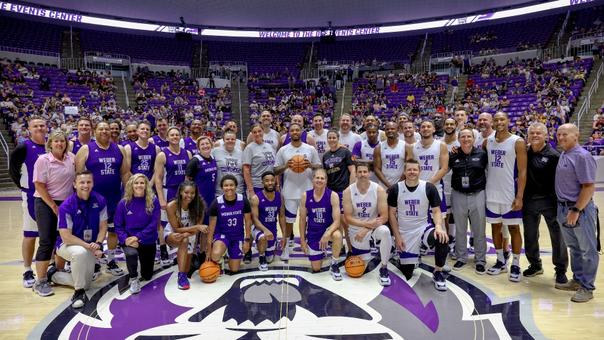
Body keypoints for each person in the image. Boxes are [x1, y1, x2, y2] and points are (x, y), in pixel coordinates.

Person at [75, 121, 128, 276]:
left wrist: (126, 196)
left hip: (114, 198)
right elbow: (78, 176)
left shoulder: (119, 149)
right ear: (94, 131)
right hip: (92, 200)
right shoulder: (86, 149)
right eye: (101, 128)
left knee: (113, 231)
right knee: (92, 233)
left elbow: (125, 173)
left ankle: (111, 260)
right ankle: (94, 263)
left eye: (106, 129)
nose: (104, 131)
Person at [387, 160, 450, 290]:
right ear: (404, 172)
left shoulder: (428, 187)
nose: (412, 172)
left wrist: (438, 226)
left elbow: (437, 211)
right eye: (409, 170)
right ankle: (401, 254)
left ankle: (438, 271)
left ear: (419, 171)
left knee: (442, 238)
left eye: (415, 170)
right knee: (407, 271)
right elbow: (391, 214)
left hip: (423, 228)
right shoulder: (395, 189)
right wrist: (397, 236)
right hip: (405, 231)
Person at [49, 171, 107, 308]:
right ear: (74, 184)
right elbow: (66, 237)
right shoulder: (66, 206)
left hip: (89, 246)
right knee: (79, 253)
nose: (85, 185)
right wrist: (89, 247)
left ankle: (53, 276)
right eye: (82, 182)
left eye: (88, 182)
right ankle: (78, 292)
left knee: (86, 284)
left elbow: (103, 227)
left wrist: (98, 244)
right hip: (66, 245)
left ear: (92, 183)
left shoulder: (100, 200)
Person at [554, 123, 598, 303]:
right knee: (574, 248)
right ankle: (578, 280)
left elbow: (588, 187)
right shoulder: (565, 153)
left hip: (578, 210)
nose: (561, 137)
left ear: (576, 136)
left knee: (587, 250)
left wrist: (576, 210)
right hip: (564, 208)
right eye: (558, 134)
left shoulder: (582, 156)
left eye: (565, 134)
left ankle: (587, 288)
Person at [522, 123, 568, 283]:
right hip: (529, 201)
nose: (534, 136)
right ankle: (535, 265)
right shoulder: (524, 153)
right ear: (527, 136)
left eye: (538, 133)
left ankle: (561, 270)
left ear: (546, 136)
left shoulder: (554, 155)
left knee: (557, 236)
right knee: (530, 235)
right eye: (531, 133)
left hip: (550, 202)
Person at [484, 112, 527, 282]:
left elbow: (523, 171)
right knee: (495, 228)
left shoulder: (517, 142)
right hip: (492, 192)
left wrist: (520, 196)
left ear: (508, 121)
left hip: (510, 193)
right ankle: (501, 260)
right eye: (496, 120)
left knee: (514, 229)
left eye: (502, 119)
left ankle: (516, 263)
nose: (499, 122)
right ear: (492, 123)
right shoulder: (488, 142)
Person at [32, 131, 76, 296]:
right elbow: (39, 185)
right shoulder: (43, 160)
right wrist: (53, 206)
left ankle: (58, 272)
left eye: (62, 141)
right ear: (50, 143)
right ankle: (41, 281)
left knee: (63, 240)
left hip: (66, 204)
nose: (60, 144)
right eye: (56, 141)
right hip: (45, 202)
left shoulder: (71, 158)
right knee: (47, 241)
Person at [9, 116, 48, 288]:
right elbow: (13, 171)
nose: (39, 128)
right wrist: (24, 187)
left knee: (49, 235)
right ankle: (27, 269)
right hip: (31, 195)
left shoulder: (51, 145)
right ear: (29, 129)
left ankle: (50, 267)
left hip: (50, 194)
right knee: (30, 234)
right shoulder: (23, 147)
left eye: (42, 125)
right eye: (36, 126)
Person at [274, 123, 321, 260]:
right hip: (289, 191)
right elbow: (275, 170)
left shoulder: (310, 149)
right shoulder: (283, 150)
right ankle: (286, 247)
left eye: (297, 130)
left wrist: (310, 165)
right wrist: (286, 166)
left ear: (301, 132)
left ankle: (309, 244)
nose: (295, 132)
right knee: (289, 221)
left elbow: (319, 166)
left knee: (309, 220)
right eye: (292, 130)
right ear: (289, 133)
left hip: (308, 190)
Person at [342, 163, 392, 286]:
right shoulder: (348, 191)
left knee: (385, 231)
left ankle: (384, 267)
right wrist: (365, 225)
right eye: (360, 172)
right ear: (356, 174)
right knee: (360, 266)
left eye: (365, 172)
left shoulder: (378, 190)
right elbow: (347, 218)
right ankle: (361, 248)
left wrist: (366, 228)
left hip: (373, 227)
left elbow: (384, 216)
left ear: (369, 173)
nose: (362, 174)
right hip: (355, 231)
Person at [448, 128, 488, 274]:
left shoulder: (482, 154)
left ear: (473, 138)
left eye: (469, 136)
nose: (466, 139)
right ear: (458, 139)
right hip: (458, 194)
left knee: (479, 229)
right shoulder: (453, 155)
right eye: (463, 136)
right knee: (460, 228)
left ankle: (480, 260)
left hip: (478, 194)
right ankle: (461, 257)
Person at [114, 174, 161, 293]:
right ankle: (133, 279)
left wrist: (137, 237)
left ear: (146, 185)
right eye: (136, 183)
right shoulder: (123, 203)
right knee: (131, 254)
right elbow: (118, 226)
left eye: (142, 183)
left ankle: (143, 268)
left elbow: (154, 224)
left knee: (147, 276)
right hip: (129, 240)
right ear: (131, 185)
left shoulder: (153, 200)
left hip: (147, 239)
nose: (139, 185)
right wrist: (125, 239)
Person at [154, 127, 192, 267]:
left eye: (177, 134)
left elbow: (188, 176)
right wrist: (161, 198)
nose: (175, 137)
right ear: (168, 138)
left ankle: (180, 250)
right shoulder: (162, 155)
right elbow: (158, 178)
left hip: (183, 192)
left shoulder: (187, 153)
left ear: (180, 137)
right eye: (172, 135)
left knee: (182, 221)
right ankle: (163, 249)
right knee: (164, 223)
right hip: (168, 191)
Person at [298, 169, 343, 279]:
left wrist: (327, 234)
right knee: (316, 268)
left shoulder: (333, 195)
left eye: (322, 178)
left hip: (328, 230)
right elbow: (302, 220)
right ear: (313, 180)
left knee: (337, 235)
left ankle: (334, 263)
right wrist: (303, 241)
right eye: (317, 178)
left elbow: (337, 221)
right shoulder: (305, 195)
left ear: (326, 181)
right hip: (313, 233)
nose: (319, 180)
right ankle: (322, 251)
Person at [164, 181, 207, 290]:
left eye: (192, 193)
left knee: (187, 269)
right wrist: (196, 228)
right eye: (186, 192)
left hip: (190, 235)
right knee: (183, 240)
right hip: (173, 234)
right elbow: (176, 229)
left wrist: (191, 231)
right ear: (180, 193)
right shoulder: (171, 206)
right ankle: (181, 276)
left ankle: (185, 266)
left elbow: (198, 229)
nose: (189, 195)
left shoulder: (200, 206)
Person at [206, 175, 252, 273]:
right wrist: (209, 250)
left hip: (238, 236)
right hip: (222, 236)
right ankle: (221, 256)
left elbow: (248, 221)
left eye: (231, 185)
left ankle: (228, 253)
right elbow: (211, 228)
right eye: (226, 185)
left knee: (234, 269)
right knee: (215, 255)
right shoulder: (216, 203)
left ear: (236, 186)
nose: (229, 188)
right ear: (222, 187)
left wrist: (247, 240)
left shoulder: (243, 200)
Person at [407, 120, 449, 218]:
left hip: (435, 188)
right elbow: (409, 169)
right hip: (417, 188)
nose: (426, 129)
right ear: (419, 130)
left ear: (434, 129)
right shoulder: (412, 147)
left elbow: (444, 168)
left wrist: (428, 184)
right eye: (423, 127)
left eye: (429, 126)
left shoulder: (441, 145)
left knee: (439, 221)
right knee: (420, 219)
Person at [250, 171, 286, 271]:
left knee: (270, 258)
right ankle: (261, 258)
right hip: (258, 227)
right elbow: (255, 219)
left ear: (275, 181)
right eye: (267, 181)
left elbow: (282, 216)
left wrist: (284, 235)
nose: (270, 183)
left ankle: (266, 247)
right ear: (262, 183)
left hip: (272, 229)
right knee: (262, 238)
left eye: (272, 180)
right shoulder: (256, 198)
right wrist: (264, 230)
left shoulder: (280, 197)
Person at [186, 136, 218, 221]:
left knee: (209, 222)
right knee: (199, 223)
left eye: (207, 143)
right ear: (198, 147)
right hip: (199, 198)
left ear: (211, 145)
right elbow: (187, 181)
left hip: (211, 196)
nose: (205, 146)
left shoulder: (213, 158)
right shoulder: (195, 161)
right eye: (202, 144)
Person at [243, 124, 277, 198]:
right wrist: (251, 190)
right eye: (254, 132)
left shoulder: (269, 146)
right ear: (252, 134)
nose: (257, 134)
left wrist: (277, 184)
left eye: (259, 131)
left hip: (270, 184)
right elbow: (246, 170)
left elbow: (274, 166)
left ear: (263, 131)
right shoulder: (249, 148)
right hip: (257, 185)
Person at [374, 121, 406, 189]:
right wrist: (389, 186)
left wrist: (397, 185)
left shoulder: (405, 146)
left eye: (392, 129)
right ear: (385, 131)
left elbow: (407, 167)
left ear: (397, 130)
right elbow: (377, 169)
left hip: (401, 185)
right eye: (387, 129)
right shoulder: (378, 147)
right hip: (384, 186)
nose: (390, 131)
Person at [212, 130, 244, 195]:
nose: (230, 141)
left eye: (232, 139)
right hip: (221, 191)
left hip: (238, 191)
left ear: (236, 140)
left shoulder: (241, 153)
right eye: (227, 139)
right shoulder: (215, 152)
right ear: (223, 140)